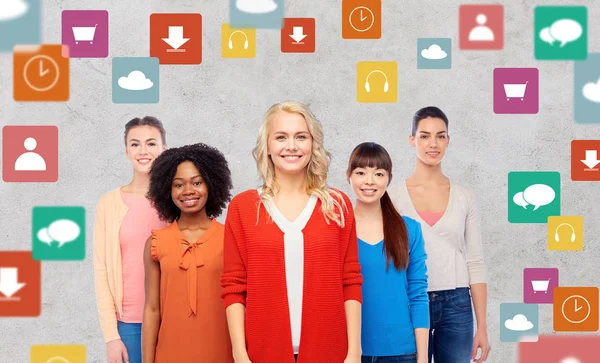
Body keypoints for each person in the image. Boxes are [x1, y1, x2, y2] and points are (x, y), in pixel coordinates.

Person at [221, 101, 363, 363]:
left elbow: (350, 281)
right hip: (262, 353)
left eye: (301, 136)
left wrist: (354, 352)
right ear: (267, 147)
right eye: (281, 137)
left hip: (330, 352)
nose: (292, 146)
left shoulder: (337, 205)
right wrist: (240, 353)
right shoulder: (243, 208)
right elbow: (234, 286)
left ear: (313, 144)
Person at [389, 106, 490, 363]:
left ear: (448, 140)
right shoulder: (391, 197)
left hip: (457, 304)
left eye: (440, 136)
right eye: (424, 136)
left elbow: (475, 262)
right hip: (409, 301)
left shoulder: (465, 196)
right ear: (412, 139)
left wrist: (483, 327)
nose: (432, 143)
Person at [142, 143, 234, 363]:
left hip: (221, 353)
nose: (188, 191)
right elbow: (152, 309)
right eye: (178, 184)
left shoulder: (231, 239)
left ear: (211, 185)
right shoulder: (156, 243)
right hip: (170, 354)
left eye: (197, 182)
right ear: (167, 190)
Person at [93, 116, 168, 363]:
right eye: (135, 144)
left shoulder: (178, 199)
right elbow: (102, 271)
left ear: (163, 149)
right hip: (128, 324)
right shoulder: (109, 203)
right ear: (126, 151)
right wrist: (111, 336)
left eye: (151, 143)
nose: (143, 151)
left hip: (173, 319)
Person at [347, 142, 429, 363]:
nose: (369, 181)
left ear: (388, 179)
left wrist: (422, 359)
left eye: (379, 173)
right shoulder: (337, 228)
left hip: (402, 352)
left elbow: (418, 294)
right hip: (349, 352)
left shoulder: (409, 229)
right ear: (349, 177)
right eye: (361, 172)